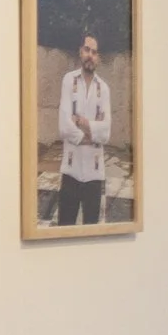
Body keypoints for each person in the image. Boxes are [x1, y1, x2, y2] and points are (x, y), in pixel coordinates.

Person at [56, 32, 112, 224]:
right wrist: (92, 134)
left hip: (94, 173)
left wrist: (81, 122)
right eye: (87, 50)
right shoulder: (68, 80)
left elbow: (106, 133)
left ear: (98, 58)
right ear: (80, 51)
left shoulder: (104, 89)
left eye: (94, 52)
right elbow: (64, 127)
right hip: (70, 170)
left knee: (91, 231)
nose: (90, 55)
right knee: (65, 228)